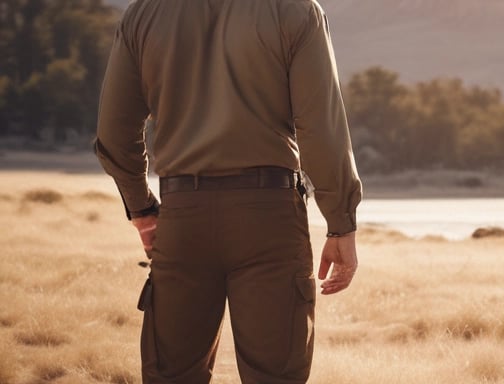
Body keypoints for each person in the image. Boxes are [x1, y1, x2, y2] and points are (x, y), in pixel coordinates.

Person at [94, 0, 361, 382]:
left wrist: (141, 209)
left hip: (182, 216)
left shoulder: (144, 13)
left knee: (173, 374)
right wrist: (341, 223)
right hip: (269, 218)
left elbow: (113, 135)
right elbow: (321, 129)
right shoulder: (296, 10)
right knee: (276, 375)